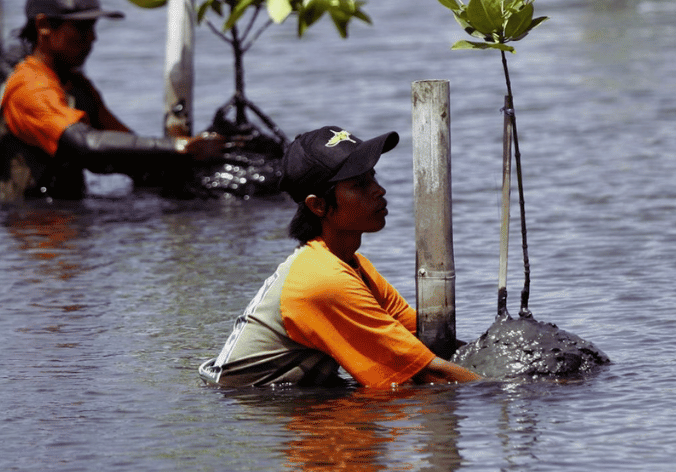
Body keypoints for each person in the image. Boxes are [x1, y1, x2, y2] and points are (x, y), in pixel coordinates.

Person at [202, 125, 481, 388]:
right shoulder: (322, 280)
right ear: (318, 205)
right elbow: (425, 373)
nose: (378, 190)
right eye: (359, 184)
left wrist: (503, 359)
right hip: (250, 408)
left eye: (373, 176)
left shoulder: (351, 265)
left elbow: (424, 339)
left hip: (287, 397)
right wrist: (511, 391)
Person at [0, 0, 231, 203]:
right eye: (82, 27)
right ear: (43, 26)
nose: (92, 38)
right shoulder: (27, 88)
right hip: (31, 230)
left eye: (93, 27)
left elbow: (122, 147)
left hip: (67, 222)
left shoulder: (77, 88)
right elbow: (86, 145)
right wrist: (179, 146)